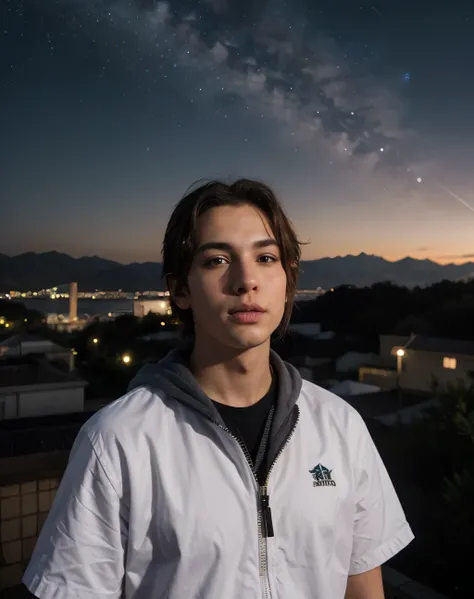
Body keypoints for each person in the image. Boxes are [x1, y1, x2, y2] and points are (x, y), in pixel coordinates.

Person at [23, 178, 414, 599]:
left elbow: (362, 586)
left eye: (266, 257)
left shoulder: (340, 425)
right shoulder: (119, 440)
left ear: (288, 281)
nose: (247, 280)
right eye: (216, 261)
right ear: (180, 290)